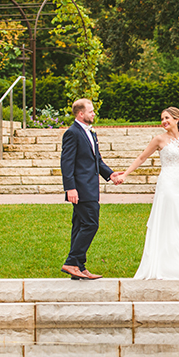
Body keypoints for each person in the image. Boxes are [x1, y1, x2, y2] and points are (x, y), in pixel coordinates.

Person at [117, 107, 179, 280]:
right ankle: (165, 266)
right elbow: (142, 158)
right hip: (166, 185)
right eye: (162, 119)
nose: (163, 121)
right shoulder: (159, 139)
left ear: (176, 119)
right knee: (168, 222)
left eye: (166, 118)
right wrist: (125, 174)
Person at [60, 98, 121, 280]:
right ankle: (71, 262)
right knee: (91, 224)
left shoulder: (91, 133)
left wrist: (110, 175)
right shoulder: (72, 133)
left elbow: (97, 161)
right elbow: (66, 163)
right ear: (81, 114)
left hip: (91, 188)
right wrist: (70, 188)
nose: (93, 114)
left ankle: (78, 267)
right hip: (81, 189)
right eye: (91, 111)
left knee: (79, 226)